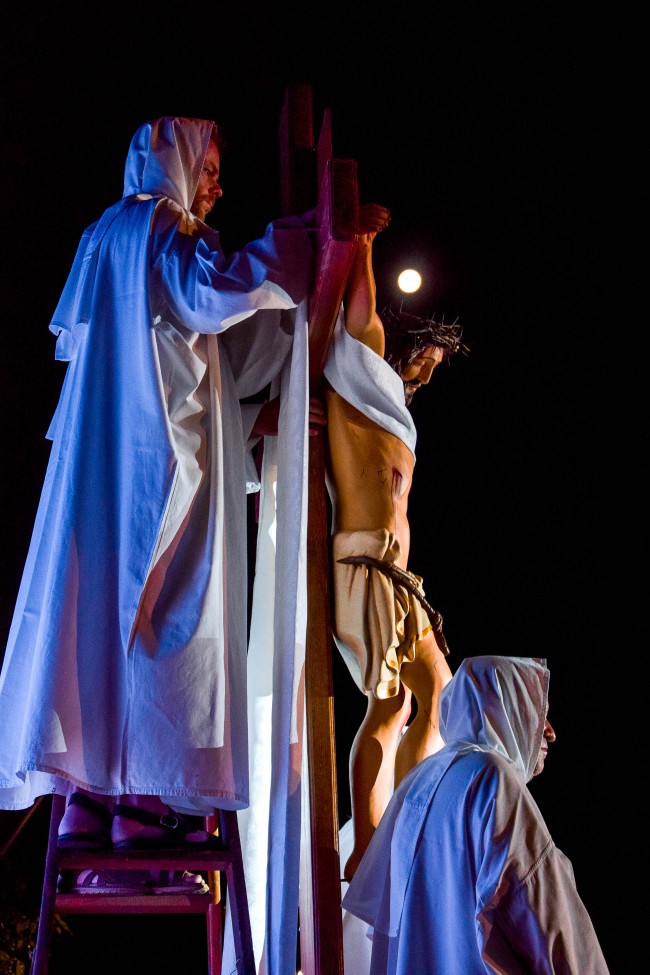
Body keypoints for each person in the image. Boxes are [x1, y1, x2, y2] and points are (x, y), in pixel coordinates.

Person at [0, 117, 316, 880]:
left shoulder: (106, 234)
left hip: (108, 470)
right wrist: (301, 241)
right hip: (154, 469)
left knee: (104, 625)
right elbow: (210, 296)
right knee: (165, 624)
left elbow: (183, 351)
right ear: (176, 164)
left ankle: (95, 802)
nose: (216, 187)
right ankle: (143, 803)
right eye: (209, 169)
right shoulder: (157, 225)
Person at [323, 212, 465, 879]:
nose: (425, 378)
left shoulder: (387, 407)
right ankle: (372, 839)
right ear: (400, 346)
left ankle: (394, 827)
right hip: (367, 563)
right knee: (397, 701)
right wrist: (363, 242)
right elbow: (361, 310)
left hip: (398, 573)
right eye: (425, 361)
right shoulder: (359, 373)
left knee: (435, 693)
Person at [342, 656, 611, 975]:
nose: (549, 732)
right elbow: (543, 910)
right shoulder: (492, 779)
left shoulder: (418, 782)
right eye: (538, 713)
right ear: (502, 709)